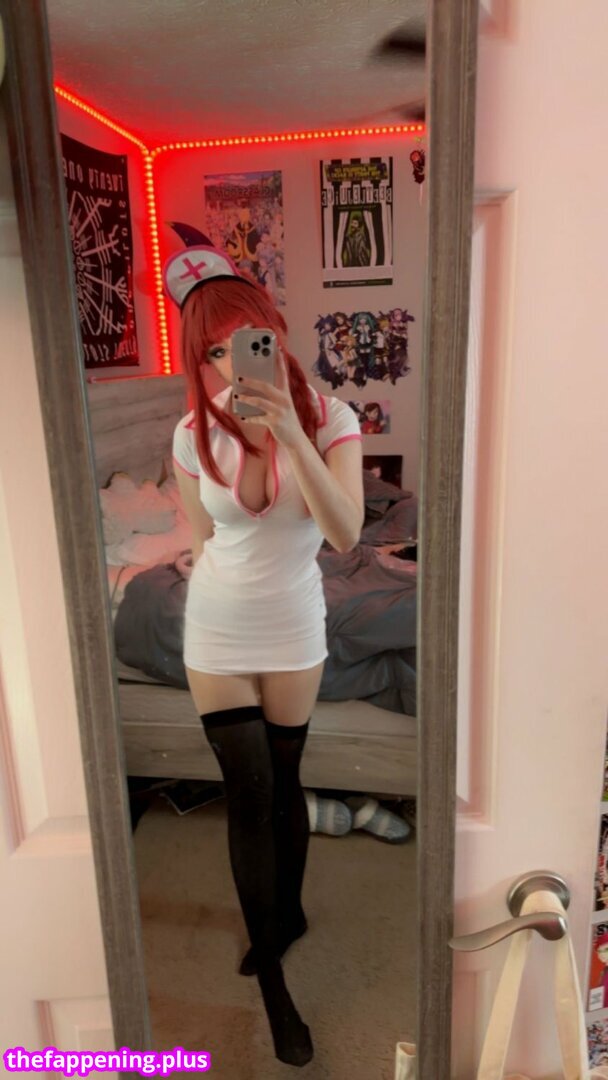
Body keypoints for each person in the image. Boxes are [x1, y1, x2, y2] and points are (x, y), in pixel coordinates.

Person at [163, 239, 364, 1068]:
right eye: (210, 352)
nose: (228, 364)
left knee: (286, 781)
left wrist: (289, 431)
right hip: (217, 628)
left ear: (272, 329)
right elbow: (205, 535)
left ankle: (293, 912)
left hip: (293, 627)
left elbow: (345, 533)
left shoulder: (333, 418)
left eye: (242, 341)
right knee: (246, 793)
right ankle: (273, 978)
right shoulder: (190, 433)